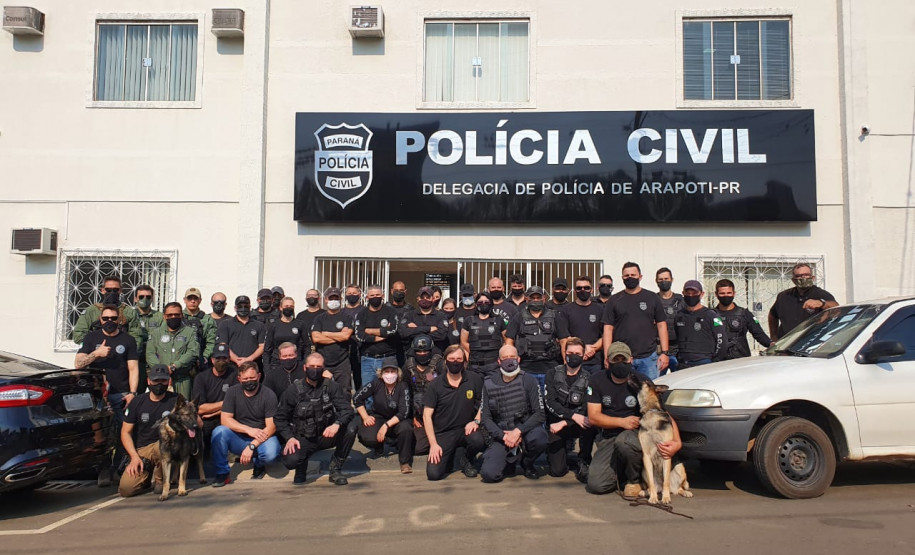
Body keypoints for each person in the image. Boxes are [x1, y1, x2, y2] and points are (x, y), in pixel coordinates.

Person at [585, 342, 682, 497]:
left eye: (623, 359)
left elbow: (664, 414)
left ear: (631, 359)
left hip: (635, 435)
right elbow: (593, 417)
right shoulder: (597, 380)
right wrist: (621, 422)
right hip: (609, 436)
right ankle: (621, 474)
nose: (620, 363)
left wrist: (677, 443)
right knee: (597, 485)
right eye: (615, 360)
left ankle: (634, 480)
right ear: (608, 361)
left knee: (624, 442)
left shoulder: (641, 381)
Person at [75, 304, 140, 486]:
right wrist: (96, 353)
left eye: (113, 318)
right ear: (100, 319)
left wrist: (133, 393)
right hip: (97, 396)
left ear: (119, 320)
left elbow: (133, 368)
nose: (109, 321)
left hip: (121, 394)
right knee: (101, 435)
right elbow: (78, 364)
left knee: (123, 432)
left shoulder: (128, 340)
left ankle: (118, 469)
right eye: (105, 318)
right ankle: (103, 470)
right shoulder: (91, 338)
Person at [274, 353, 356, 485]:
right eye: (312, 366)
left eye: (318, 367)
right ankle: (301, 468)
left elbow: (347, 410)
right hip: (303, 437)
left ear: (323, 369)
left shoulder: (331, 386)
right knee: (291, 461)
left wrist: (337, 424)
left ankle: (335, 469)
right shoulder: (293, 390)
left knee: (351, 429)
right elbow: (279, 418)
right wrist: (289, 437)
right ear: (305, 368)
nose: (315, 370)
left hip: (326, 434)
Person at [479, 345, 547, 482]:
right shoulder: (488, 383)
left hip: (525, 430)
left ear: (519, 359)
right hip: (502, 434)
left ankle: (527, 463)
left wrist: (518, 431)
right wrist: (503, 436)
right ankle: (510, 461)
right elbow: (485, 417)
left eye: (512, 357)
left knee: (540, 438)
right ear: (499, 361)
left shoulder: (529, 380)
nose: (509, 360)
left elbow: (539, 414)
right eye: (505, 358)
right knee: (489, 475)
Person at [210, 362, 282, 487]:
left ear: (259, 376)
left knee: (271, 453)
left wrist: (252, 446)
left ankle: (259, 464)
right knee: (219, 432)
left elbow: (271, 427)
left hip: (262, 437)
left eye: (252, 378)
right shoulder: (232, 392)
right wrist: (248, 429)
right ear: (239, 379)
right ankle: (222, 473)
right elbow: (225, 420)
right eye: (245, 379)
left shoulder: (268, 394)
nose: (249, 381)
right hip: (240, 437)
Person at [423, 345, 486, 481]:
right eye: (451, 359)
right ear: (445, 361)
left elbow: (484, 403)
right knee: (434, 474)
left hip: (467, 429)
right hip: (444, 433)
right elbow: (426, 415)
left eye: (459, 359)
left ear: (465, 362)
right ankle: (453, 455)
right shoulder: (435, 385)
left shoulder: (474, 379)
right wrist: (433, 444)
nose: (455, 362)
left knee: (478, 440)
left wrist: (476, 421)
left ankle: (467, 459)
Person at [117, 364, 179, 497]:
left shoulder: (176, 400)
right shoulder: (137, 402)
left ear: (169, 381)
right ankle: (145, 478)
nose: (159, 384)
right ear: (148, 381)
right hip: (142, 451)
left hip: (165, 447)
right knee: (126, 489)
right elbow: (125, 432)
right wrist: (134, 457)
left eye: (163, 380)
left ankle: (161, 479)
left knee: (162, 445)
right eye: (156, 380)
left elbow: (193, 422)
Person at [601, 262, 670, 379]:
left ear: (640, 277)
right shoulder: (614, 300)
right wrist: (607, 355)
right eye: (626, 276)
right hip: (622, 358)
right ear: (622, 278)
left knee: (649, 390)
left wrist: (664, 353)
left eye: (633, 275)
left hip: (648, 358)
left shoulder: (652, 297)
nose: (630, 278)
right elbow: (607, 329)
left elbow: (661, 325)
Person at [545, 337, 595, 482]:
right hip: (556, 423)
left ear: (583, 356)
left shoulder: (590, 378)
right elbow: (550, 403)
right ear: (564, 353)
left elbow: (586, 408)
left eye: (578, 354)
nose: (573, 356)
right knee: (557, 471)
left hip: (578, 423)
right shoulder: (552, 374)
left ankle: (584, 460)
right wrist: (572, 416)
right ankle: (562, 454)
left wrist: (566, 422)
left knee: (590, 424)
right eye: (570, 353)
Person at [352, 357, 415, 473]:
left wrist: (386, 426)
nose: (389, 374)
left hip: (398, 420)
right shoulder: (376, 383)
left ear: (398, 373)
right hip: (379, 416)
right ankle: (379, 446)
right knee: (366, 435)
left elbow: (404, 412)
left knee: (406, 428)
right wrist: (365, 416)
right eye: (387, 371)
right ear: (381, 373)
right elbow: (357, 398)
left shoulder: (403, 386)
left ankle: (405, 462)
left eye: (393, 371)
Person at [505, 286, 569, 392]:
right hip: (526, 369)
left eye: (538, 297)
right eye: (532, 298)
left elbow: (564, 341)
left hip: (550, 368)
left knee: (549, 398)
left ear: (544, 298)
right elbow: (509, 342)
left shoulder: (554, 316)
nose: (535, 300)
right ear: (526, 299)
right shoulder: (519, 317)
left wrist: (566, 364)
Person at [192, 343, 238, 462]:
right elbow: (200, 408)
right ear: (212, 360)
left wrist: (214, 412)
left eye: (224, 358)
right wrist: (226, 403)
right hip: (207, 419)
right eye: (218, 358)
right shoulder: (201, 378)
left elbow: (237, 403)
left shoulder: (235, 375)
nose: (221, 361)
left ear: (229, 359)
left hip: (228, 416)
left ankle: (232, 453)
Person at [768, 263, 839, 341]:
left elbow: (836, 308)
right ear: (793, 280)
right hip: (787, 343)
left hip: (812, 342)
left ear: (813, 277)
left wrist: (822, 303)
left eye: (806, 275)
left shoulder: (821, 294)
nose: (803, 278)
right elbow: (772, 315)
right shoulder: (784, 296)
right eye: (799, 276)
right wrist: (773, 337)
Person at [146, 302, 199, 399]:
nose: (173, 317)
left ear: (181, 315)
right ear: (164, 316)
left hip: (182, 379)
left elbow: (193, 352)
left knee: (183, 406)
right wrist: (163, 369)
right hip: (160, 380)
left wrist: (175, 366)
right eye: (170, 315)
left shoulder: (190, 332)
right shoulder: (155, 333)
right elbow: (150, 354)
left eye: (176, 315)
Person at [72, 274, 140, 345]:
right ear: (102, 290)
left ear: (120, 291)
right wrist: (93, 346)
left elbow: (136, 337)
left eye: (115, 290)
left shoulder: (129, 312)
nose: (112, 293)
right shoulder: (92, 311)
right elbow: (78, 335)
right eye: (108, 290)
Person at [310, 287, 355, 395]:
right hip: (323, 362)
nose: (333, 301)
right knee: (321, 391)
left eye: (336, 298)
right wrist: (338, 336)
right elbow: (316, 338)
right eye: (331, 298)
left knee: (344, 392)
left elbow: (345, 337)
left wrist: (325, 333)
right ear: (325, 300)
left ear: (341, 299)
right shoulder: (319, 318)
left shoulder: (347, 318)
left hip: (342, 362)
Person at [353, 284, 399, 390]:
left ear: (383, 296)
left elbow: (393, 330)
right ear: (367, 297)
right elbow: (359, 335)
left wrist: (369, 330)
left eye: (378, 295)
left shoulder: (391, 312)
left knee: (389, 390)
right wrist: (379, 336)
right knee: (367, 391)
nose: (375, 297)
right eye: (372, 295)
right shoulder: (361, 314)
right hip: (367, 359)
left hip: (387, 358)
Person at [405, 335, 443, 456]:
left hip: (439, 413)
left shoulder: (440, 365)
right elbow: (406, 393)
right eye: (419, 351)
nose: (422, 354)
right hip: (419, 415)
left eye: (425, 351)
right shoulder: (408, 366)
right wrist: (412, 416)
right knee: (418, 448)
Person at [714, 279, 771, 359]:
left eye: (729, 293)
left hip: (740, 358)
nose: (726, 296)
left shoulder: (744, 313)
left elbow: (759, 334)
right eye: (722, 293)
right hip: (717, 359)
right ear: (716, 294)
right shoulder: (711, 315)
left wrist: (773, 346)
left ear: (734, 293)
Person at [674, 280, 725, 369]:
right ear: (683, 293)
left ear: (702, 294)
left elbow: (722, 340)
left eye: (694, 293)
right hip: (683, 363)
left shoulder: (712, 316)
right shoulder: (679, 315)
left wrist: (715, 360)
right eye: (688, 293)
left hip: (704, 362)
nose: (691, 296)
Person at [562, 276, 605, 373]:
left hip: (595, 362)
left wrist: (592, 349)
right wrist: (582, 349)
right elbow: (564, 337)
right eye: (579, 288)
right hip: (573, 361)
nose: (583, 290)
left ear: (592, 290)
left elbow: (605, 335)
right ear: (574, 291)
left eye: (586, 288)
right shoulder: (566, 310)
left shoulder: (600, 310)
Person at [460, 291, 506, 379]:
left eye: (486, 302)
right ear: (476, 304)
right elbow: (463, 342)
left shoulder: (499, 319)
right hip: (475, 366)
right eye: (480, 302)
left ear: (491, 303)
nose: (483, 304)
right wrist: (475, 352)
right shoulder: (468, 320)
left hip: (494, 365)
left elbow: (506, 340)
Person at [216, 295, 267, 369]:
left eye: (246, 306)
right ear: (235, 308)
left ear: (250, 307)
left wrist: (249, 359)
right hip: (231, 367)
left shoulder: (259, 325)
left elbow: (262, 346)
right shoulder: (225, 324)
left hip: (253, 366)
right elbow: (223, 345)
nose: (243, 308)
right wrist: (237, 360)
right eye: (240, 306)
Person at [130, 284, 162, 392]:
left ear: (152, 299)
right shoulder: (129, 315)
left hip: (154, 360)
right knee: (137, 392)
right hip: (136, 360)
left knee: (158, 392)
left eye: (148, 297)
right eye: (141, 297)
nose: (145, 299)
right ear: (135, 299)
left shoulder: (160, 317)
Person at [400, 286, 448, 354]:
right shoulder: (409, 315)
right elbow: (404, 333)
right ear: (418, 299)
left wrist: (415, 329)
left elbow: (442, 335)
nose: (425, 300)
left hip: (435, 355)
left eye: (428, 297)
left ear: (433, 299)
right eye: (422, 297)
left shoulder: (441, 316)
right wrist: (428, 329)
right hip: (413, 355)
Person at [264, 296, 307, 368]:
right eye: (286, 306)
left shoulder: (300, 324)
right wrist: (267, 368)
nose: (289, 308)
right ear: (281, 308)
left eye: (291, 306)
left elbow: (307, 346)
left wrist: (305, 363)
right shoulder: (273, 325)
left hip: (296, 362)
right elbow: (267, 349)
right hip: (277, 363)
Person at [655, 268, 683, 372]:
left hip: (678, 349)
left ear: (672, 280)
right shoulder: (653, 300)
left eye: (666, 279)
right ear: (656, 281)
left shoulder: (681, 300)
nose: (664, 281)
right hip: (658, 350)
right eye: (660, 279)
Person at [183, 287, 217, 371]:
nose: (193, 301)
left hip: (200, 361)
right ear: (184, 300)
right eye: (190, 298)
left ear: (200, 300)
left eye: (195, 298)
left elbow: (211, 342)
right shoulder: (178, 317)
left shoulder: (208, 320)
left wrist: (204, 357)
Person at [295, 288, 324, 353]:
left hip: (321, 349)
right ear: (306, 298)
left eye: (314, 295)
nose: (311, 297)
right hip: (305, 350)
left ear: (319, 298)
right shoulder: (300, 315)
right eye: (309, 295)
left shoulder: (324, 314)